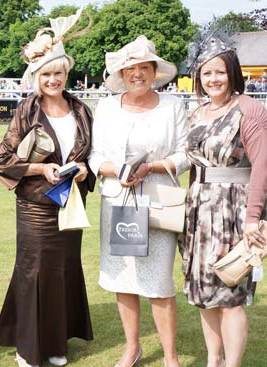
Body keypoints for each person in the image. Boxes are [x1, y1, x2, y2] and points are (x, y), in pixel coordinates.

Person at [0, 9, 94, 367]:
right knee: (34, 271)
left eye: (58, 73)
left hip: (70, 204)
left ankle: (55, 345)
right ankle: (28, 347)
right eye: (46, 74)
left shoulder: (82, 110)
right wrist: (41, 168)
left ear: (67, 73)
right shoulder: (26, 111)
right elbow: (2, 160)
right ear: (37, 76)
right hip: (35, 206)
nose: (53, 79)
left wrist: (84, 169)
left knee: (63, 271)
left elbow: (91, 156)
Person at [88, 35, 189, 367]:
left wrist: (153, 167)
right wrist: (118, 171)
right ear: (122, 73)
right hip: (117, 201)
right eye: (131, 68)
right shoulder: (105, 107)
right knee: (123, 278)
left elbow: (186, 154)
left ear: (154, 71)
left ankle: (171, 357)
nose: (137, 74)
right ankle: (132, 347)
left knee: (159, 281)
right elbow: (95, 156)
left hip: (158, 201)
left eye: (144, 67)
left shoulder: (173, 107)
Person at [181, 36, 267, 367]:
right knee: (205, 295)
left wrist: (251, 219)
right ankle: (213, 360)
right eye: (206, 73)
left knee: (230, 294)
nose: (213, 79)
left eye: (219, 72)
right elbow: (194, 165)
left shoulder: (249, 109)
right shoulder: (198, 112)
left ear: (232, 72)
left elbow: (262, 166)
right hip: (199, 211)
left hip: (234, 212)